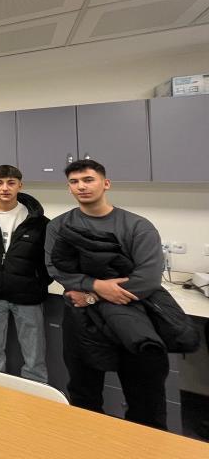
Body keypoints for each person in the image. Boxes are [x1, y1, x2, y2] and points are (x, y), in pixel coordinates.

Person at [45, 159, 169, 429]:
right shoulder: (59, 226)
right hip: (81, 323)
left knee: (145, 404)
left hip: (132, 321)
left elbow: (147, 279)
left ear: (106, 183)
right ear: (69, 188)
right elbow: (56, 269)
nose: (81, 186)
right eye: (74, 182)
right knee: (83, 396)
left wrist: (93, 293)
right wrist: (99, 285)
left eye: (88, 179)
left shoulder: (137, 226)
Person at [0, 165, 50, 383]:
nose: (5, 188)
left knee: (34, 356)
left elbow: (48, 259)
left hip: (28, 297)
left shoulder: (38, 221)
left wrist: (38, 281)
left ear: (20, 185)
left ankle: (35, 394)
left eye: (11, 183)